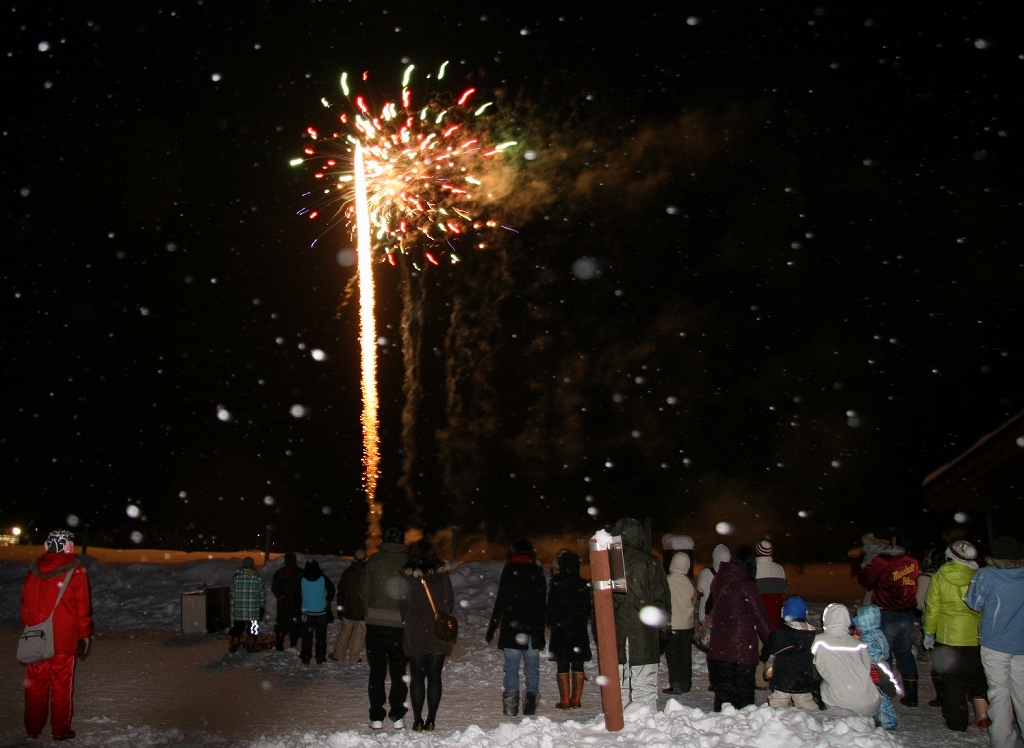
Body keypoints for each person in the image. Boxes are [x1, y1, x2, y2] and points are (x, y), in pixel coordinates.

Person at [21, 529, 92, 741]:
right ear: (69, 546)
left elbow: (25, 604)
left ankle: (33, 727)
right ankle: (60, 730)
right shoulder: (76, 571)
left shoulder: (33, 571)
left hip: (36, 637)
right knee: (61, 685)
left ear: (46, 545)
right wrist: (84, 635)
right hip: (63, 638)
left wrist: (29, 628)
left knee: (35, 685)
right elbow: (82, 608)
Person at [922, 540, 989, 731]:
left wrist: (929, 632)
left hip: (948, 636)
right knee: (978, 677)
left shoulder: (940, 576)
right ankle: (983, 716)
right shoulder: (979, 576)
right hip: (975, 635)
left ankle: (956, 721)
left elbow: (933, 608)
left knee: (953, 681)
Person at [965, 536, 1024, 748]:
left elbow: (974, 603)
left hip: (995, 643)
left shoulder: (986, 575)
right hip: (1021, 644)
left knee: (999, 692)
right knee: (1022, 693)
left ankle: (1002, 740)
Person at [611, 517, 671, 714]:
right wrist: (663, 631)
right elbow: (661, 599)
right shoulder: (650, 562)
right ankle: (644, 720)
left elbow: (601, 603)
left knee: (618, 678)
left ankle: (617, 718)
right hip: (644, 631)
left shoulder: (611, 562)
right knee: (644, 680)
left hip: (617, 631)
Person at [858, 529, 921, 706]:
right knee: (905, 654)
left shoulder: (882, 561)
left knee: (884, 655)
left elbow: (867, 580)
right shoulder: (913, 562)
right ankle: (911, 696)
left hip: (886, 612)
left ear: (893, 541)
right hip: (907, 614)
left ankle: (887, 692)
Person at [706, 545, 773, 712]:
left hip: (720, 644)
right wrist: (773, 639)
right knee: (743, 692)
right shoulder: (747, 585)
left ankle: (722, 721)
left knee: (724, 690)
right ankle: (742, 725)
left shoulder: (719, 579)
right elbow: (759, 615)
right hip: (741, 646)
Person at [486, 538, 547, 717]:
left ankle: (511, 706)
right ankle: (531, 705)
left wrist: (493, 625)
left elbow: (501, 601)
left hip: (513, 628)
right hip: (532, 629)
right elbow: (542, 604)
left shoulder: (509, 571)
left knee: (511, 666)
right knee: (532, 668)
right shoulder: (537, 572)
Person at [400, 539, 455, 731]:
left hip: (415, 630)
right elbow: (450, 601)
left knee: (416, 677)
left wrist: (410, 618)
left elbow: (403, 605)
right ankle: (431, 719)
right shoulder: (442, 576)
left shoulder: (407, 577)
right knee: (434, 677)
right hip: (437, 631)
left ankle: (417, 720)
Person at [360, 527, 409, 730]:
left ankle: (376, 716)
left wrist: (370, 615)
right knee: (399, 672)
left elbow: (364, 592)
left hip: (376, 625)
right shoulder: (409, 562)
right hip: (401, 626)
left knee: (377, 672)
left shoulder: (374, 561)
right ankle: (397, 714)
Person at [812, 603, 881, 717]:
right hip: (870, 702)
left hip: (840, 703)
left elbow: (808, 667)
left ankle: (823, 711)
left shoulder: (818, 642)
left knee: (818, 675)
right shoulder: (859, 644)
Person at [546, 549, 593, 709]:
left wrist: (553, 621)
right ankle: (576, 699)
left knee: (563, 663)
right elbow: (588, 610)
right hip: (579, 630)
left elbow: (551, 610)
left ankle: (565, 699)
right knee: (578, 663)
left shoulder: (557, 585)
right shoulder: (583, 586)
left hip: (562, 630)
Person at [761, 595, 817, 710]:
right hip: (804, 677)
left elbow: (770, 649)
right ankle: (812, 721)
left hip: (783, 677)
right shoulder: (810, 634)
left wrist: (765, 654)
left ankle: (777, 721)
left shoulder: (779, 633)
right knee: (805, 701)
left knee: (779, 701)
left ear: (783, 613)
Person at [852, 604, 898, 729]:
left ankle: (888, 722)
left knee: (879, 697)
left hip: (874, 670)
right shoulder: (876, 633)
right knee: (880, 695)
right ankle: (882, 719)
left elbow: (869, 655)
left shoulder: (868, 639)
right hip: (880, 667)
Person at [663, 550, 695, 695]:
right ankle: (686, 683)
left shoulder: (667, 580)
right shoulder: (689, 582)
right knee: (685, 654)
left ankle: (675, 683)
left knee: (673, 655)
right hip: (687, 624)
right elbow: (693, 600)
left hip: (672, 624)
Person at [330, 549, 367, 663]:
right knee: (359, 634)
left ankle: (338, 655)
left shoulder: (348, 573)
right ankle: (354, 657)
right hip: (362, 609)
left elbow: (341, 591)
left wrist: (341, 606)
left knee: (344, 633)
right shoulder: (368, 573)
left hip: (348, 608)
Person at [299, 559, 335, 665]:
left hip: (306, 612)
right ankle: (320, 656)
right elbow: (332, 590)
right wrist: (326, 600)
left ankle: (306, 655)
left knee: (306, 636)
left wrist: (300, 604)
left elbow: (297, 594)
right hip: (321, 612)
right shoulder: (323, 578)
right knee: (321, 636)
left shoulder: (302, 579)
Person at [229, 557, 265, 653]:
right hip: (253, 609)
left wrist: (238, 597)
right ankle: (250, 643)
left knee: (238, 625)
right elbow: (261, 593)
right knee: (253, 626)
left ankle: (236, 641)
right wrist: (262, 604)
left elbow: (231, 592)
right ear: (252, 565)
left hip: (240, 608)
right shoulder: (257, 577)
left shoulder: (236, 577)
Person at [271, 552, 303, 651]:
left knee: (282, 623)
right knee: (295, 624)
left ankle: (279, 642)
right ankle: (293, 643)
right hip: (296, 604)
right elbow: (304, 588)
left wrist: (281, 597)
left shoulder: (279, 572)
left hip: (283, 604)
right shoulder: (301, 572)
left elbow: (274, 587)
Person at [754, 539, 788, 629]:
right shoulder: (780, 569)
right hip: (776, 623)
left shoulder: (752, 570)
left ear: (757, 552)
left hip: (758, 624)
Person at [697, 543, 731, 624]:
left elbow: (699, 590)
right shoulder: (732, 575)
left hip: (706, 617)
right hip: (725, 618)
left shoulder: (704, 573)